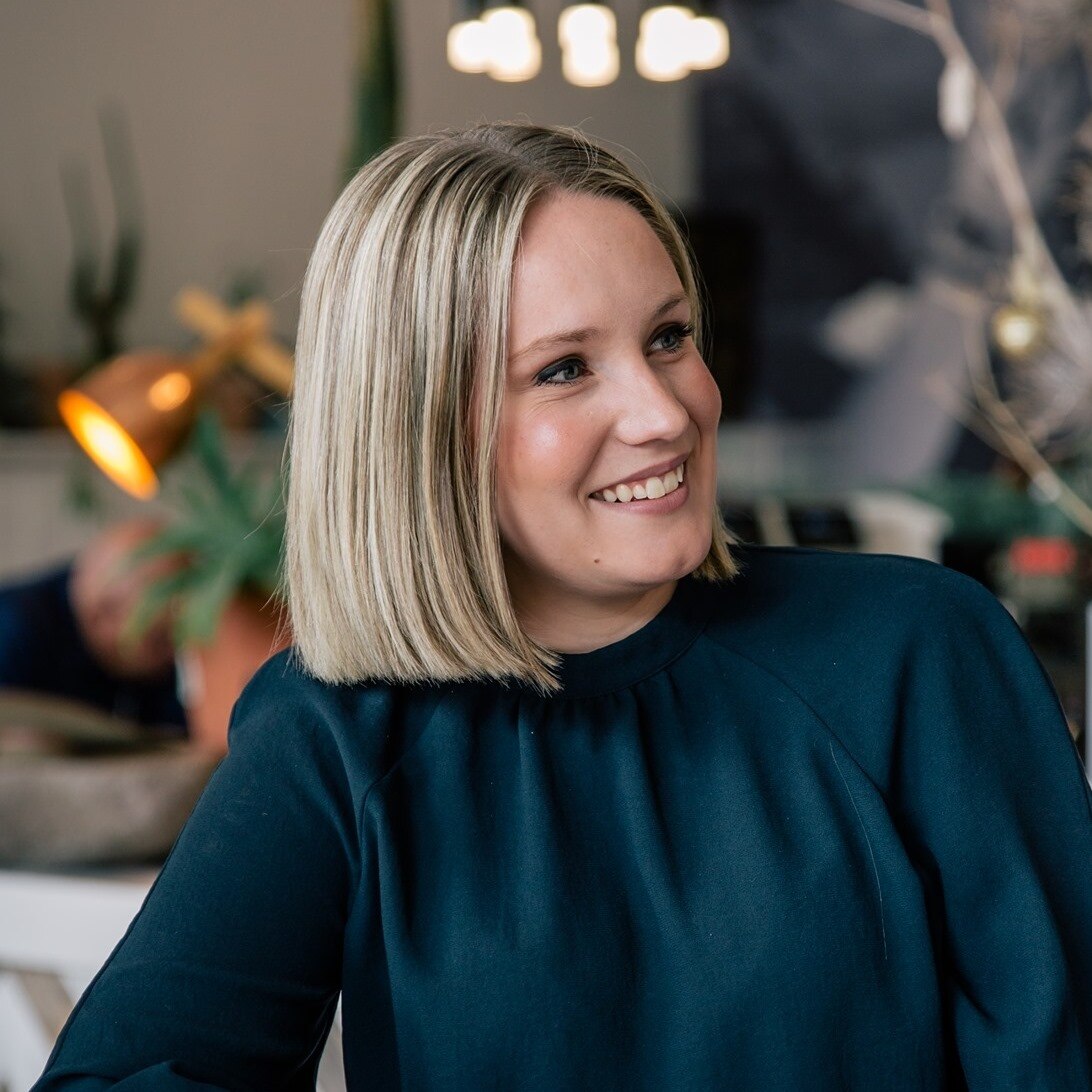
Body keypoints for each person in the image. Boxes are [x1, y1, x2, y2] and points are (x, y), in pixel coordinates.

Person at [34, 122, 1092, 1090]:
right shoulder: (337, 734)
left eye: (669, 336)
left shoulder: (918, 652)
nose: (663, 412)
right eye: (566, 369)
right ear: (421, 430)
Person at [0, 518, 187, 732]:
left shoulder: (125, 612)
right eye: (161, 641)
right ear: (103, 615)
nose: (174, 655)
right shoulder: (15, 633)